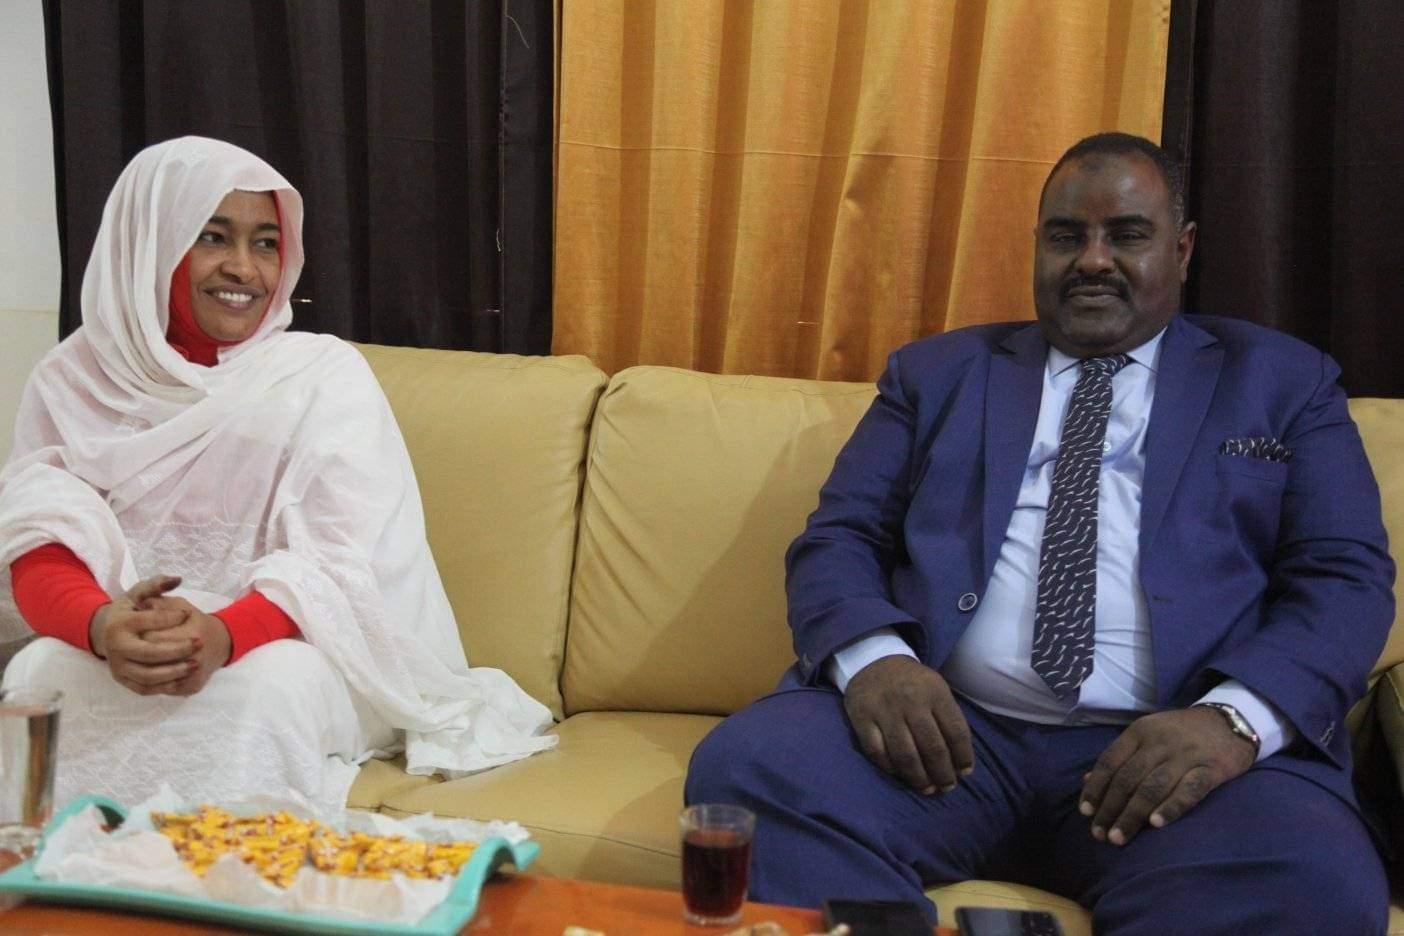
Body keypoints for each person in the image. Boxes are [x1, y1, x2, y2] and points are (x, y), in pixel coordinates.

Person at [686, 133, 1394, 935]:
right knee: (752, 770)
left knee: (1313, 876)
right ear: (1036, 247)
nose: (1092, 260)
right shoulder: (937, 374)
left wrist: (1230, 721)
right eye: (1066, 236)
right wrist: (876, 660)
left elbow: (1345, 580)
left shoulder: (1283, 382)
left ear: (1182, 248)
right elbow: (839, 537)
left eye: (1126, 235)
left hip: (1169, 752)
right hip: (946, 743)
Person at [0, 136, 557, 811]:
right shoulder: (72, 379)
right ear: (149, 243)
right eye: (212, 237)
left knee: (267, 687)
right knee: (40, 671)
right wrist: (98, 625)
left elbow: (344, 564)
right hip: (124, 639)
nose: (244, 268)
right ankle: (63, 871)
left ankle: (232, 869)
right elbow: (39, 533)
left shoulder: (320, 377)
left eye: (266, 243)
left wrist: (224, 634)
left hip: (297, 647)